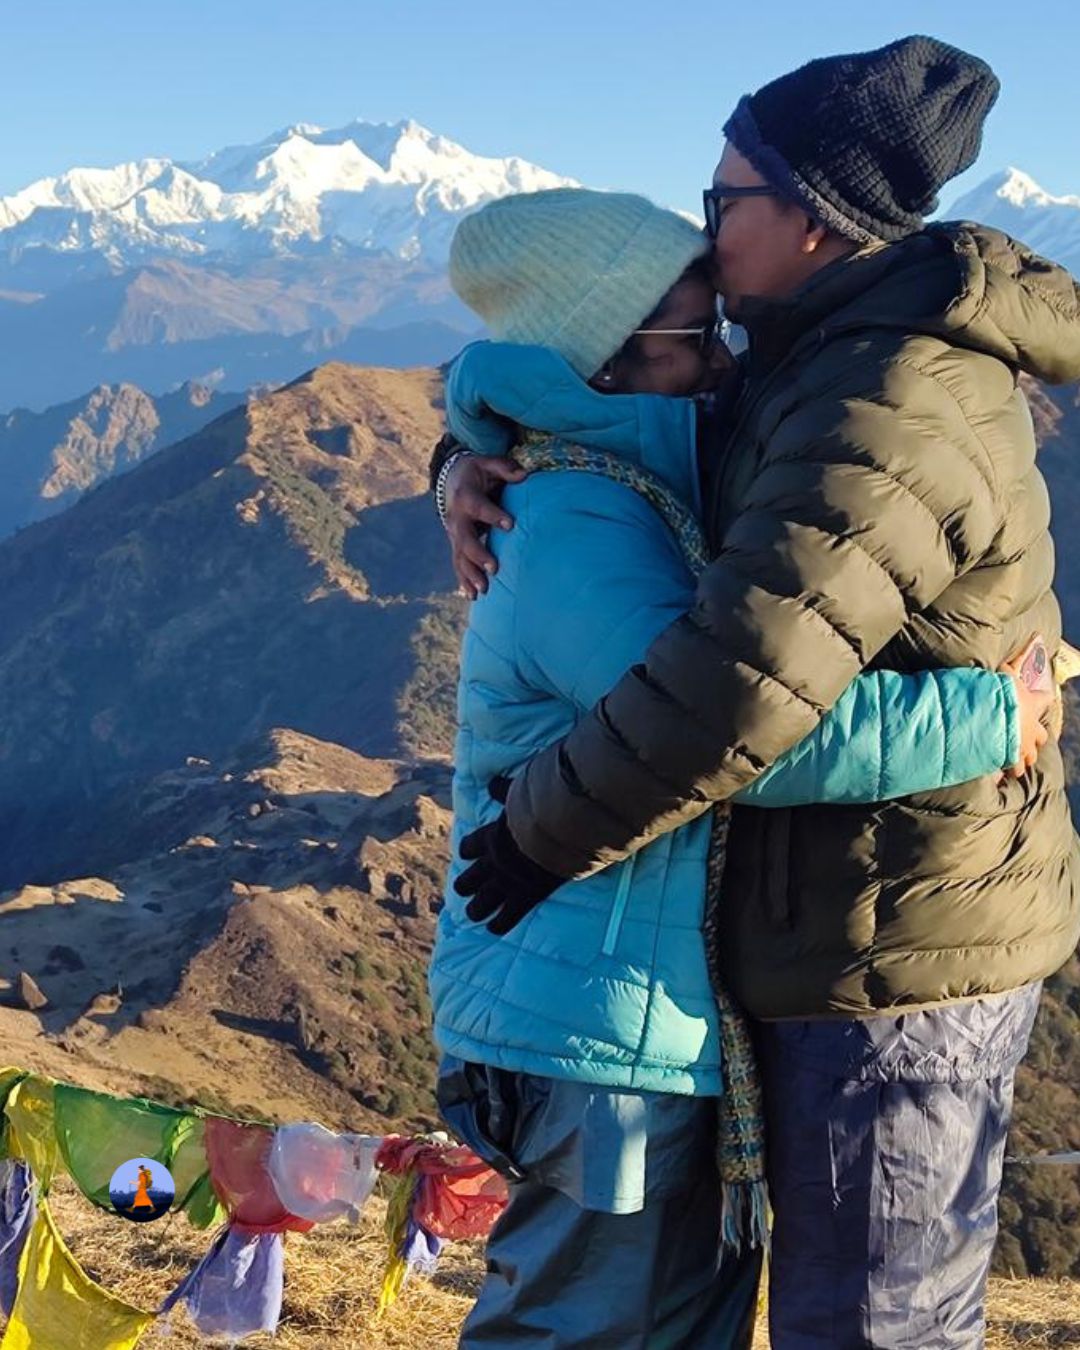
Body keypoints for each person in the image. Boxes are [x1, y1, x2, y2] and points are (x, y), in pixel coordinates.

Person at [437, 36, 1080, 1349]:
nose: (712, 228)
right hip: (770, 955)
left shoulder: (879, 398)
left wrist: (536, 833)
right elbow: (606, 422)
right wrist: (473, 450)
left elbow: (738, 706)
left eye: (726, 198)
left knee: (873, 1326)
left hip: (893, 945)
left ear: (812, 217)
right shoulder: (796, 354)